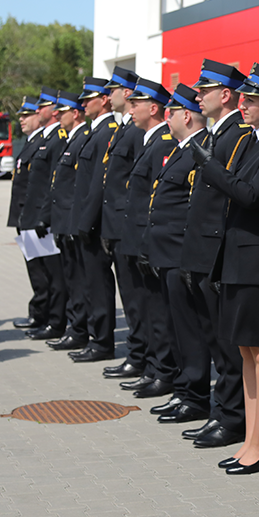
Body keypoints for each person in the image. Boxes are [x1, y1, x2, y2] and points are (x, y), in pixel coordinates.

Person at [192, 63, 259, 474]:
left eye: (251, 100)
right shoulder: (251, 141)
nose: (243, 105)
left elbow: (251, 194)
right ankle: (251, 440)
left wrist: (209, 167)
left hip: (256, 261)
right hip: (237, 258)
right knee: (247, 352)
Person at [179, 60, 253, 448]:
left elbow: (230, 196)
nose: (196, 96)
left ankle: (232, 419)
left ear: (225, 95)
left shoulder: (237, 135)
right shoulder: (213, 135)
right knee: (214, 342)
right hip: (201, 251)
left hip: (217, 253)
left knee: (227, 347)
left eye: (204, 90)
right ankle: (221, 413)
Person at [141, 84, 211, 425]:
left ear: (186, 116)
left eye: (170, 113)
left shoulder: (197, 151)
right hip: (167, 253)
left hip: (180, 254)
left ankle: (195, 396)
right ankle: (184, 390)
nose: (165, 118)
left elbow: (192, 209)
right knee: (179, 329)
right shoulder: (182, 150)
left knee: (190, 330)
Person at [118, 78, 178, 401]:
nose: (129, 107)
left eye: (135, 103)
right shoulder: (148, 141)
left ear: (153, 108)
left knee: (158, 310)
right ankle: (155, 367)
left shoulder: (163, 143)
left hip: (151, 242)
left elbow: (157, 200)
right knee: (148, 308)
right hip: (140, 241)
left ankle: (163, 370)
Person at [100, 67, 148, 379]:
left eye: (114, 89)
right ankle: (138, 352)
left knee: (136, 297)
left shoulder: (134, 132)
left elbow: (138, 184)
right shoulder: (123, 128)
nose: (109, 96)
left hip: (126, 226)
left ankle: (141, 355)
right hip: (116, 225)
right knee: (129, 297)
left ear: (127, 91)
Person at [68, 77, 117, 363]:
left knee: (98, 285)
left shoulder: (106, 132)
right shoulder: (93, 132)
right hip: (85, 222)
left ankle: (102, 342)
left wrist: (86, 223)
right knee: (88, 283)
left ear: (105, 100)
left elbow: (100, 183)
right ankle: (94, 337)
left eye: (90, 98)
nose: (84, 103)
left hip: (94, 223)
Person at [20, 88, 69, 340]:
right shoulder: (42, 139)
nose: (37, 110)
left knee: (53, 275)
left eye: (43, 106)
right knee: (40, 274)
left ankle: (55, 321)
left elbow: (54, 183)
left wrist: (44, 215)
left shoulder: (57, 138)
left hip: (42, 218)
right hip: (29, 217)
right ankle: (46, 317)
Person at [45, 90, 91, 353]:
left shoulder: (83, 137)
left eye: (61, 112)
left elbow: (78, 188)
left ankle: (79, 329)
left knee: (77, 280)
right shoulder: (72, 139)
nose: (56, 116)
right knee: (71, 278)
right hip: (63, 221)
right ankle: (76, 328)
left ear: (75, 114)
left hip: (72, 222)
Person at [8, 96, 49, 330]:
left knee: (40, 269)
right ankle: (39, 311)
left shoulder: (43, 141)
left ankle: (42, 313)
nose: (21, 120)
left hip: (34, 217)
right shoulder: (31, 141)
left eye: (26, 115)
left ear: (39, 116)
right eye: (20, 116)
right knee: (34, 268)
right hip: (25, 216)